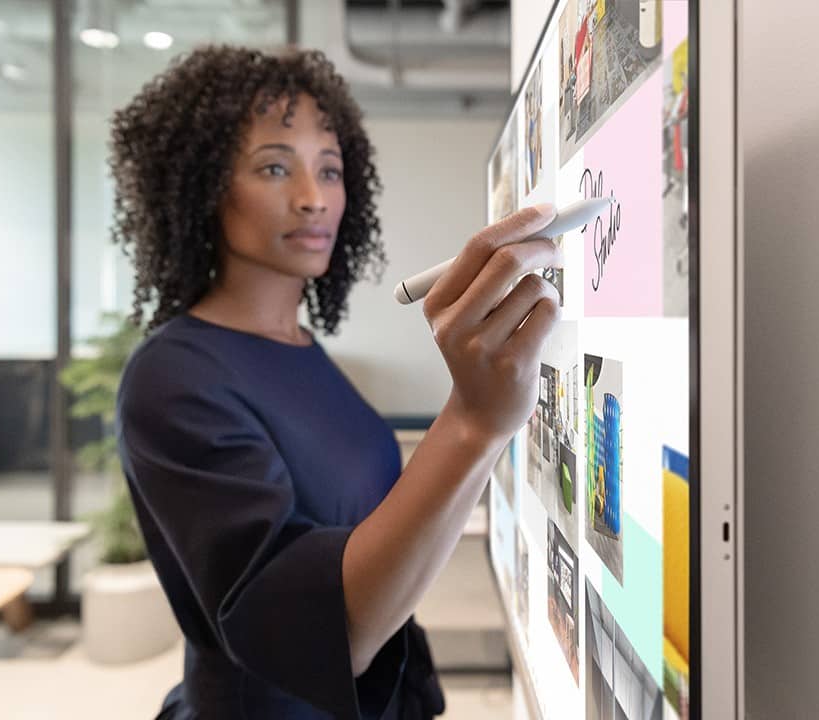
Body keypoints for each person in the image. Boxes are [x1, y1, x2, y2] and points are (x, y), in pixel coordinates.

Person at [109, 46, 562, 719]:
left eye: (330, 169)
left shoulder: (300, 349)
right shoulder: (172, 379)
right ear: (201, 184)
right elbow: (317, 636)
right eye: (273, 168)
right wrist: (473, 420)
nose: (312, 198)